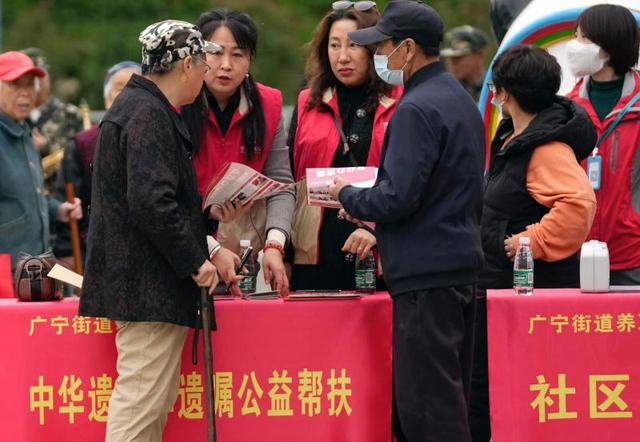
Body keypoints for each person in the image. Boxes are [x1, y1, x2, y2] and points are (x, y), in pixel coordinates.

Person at [329, 1, 485, 440]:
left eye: (382, 46)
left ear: (408, 48)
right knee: (449, 398)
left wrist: (347, 194)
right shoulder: (459, 98)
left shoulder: (415, 108)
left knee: (427, 410)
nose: (377, 56)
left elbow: (398, 197)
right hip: (457, 265)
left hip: (425, 275)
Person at [79, 20, 221, 441]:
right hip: (147, 290)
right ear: (187, 65)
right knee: (140, 408)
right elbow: (152, 202)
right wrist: (196, 261)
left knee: (147, 406)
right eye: (204, 63)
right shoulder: (147, 114)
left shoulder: (137, 108)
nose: (207, 73)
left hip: (140, 287)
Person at [469, 45, 597, 442]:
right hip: (502, 291)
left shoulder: (545, 147)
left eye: (497, 87)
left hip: (530, 295)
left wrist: (531, 240)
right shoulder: (516, 136)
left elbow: (579, 205)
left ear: (505, 93)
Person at [289, 0, 402, 291]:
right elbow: (289, 179)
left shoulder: (401, 100)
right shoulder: (307, 102)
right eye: (334, 45)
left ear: (374, 48)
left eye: (353, 46)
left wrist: (377, 229)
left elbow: (409, 183)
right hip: (315, 251)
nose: (342, 57)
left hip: (376, 249)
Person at [183, 9, 295, 296]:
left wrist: (275, 245)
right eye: (215, 53)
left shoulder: (269, 104)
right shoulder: (177, 105)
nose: (225, 65)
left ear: (250, 60)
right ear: (197, 54)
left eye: (238, 55)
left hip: (250, 253)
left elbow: (281, 184)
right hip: (186, 248)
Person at [566, 4, 640, 285]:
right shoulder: (567, 108)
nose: (574, 45)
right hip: (576, 251)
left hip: (633, 252)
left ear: (607, 47)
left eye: (582, 38)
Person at [0, 50, 82, 269]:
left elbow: (22, 197)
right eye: (15, 85)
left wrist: (58, 210)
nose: (25, 93)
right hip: (6, 276)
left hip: (32, 270)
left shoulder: (24, 132)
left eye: (30, 85)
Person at [53, 61, 141, 259]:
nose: (129, 95)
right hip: (95, 255)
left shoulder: (159, 140)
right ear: (106, 98)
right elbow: (68, 205)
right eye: (121, 88)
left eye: (136, 88)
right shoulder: (81, 144)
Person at [22, 48, 84, 187]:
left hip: (61, 195)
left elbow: (81, 160)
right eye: (29, 77)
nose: (37, 82)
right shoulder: (9, 117)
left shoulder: (70, 115)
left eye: (41, 74)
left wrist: (46, 147)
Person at [441, 25, 489, 102]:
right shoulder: (447, 91)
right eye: (448, 58)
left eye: (458, 57)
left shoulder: (495, 87)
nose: (451, 63)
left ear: (480, 55)